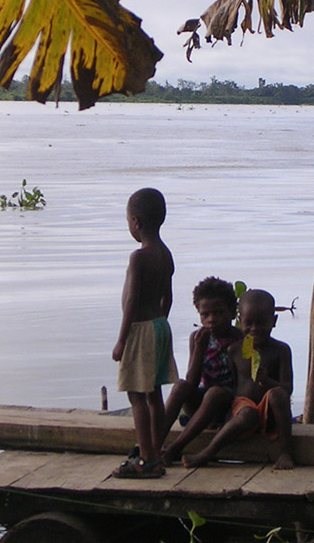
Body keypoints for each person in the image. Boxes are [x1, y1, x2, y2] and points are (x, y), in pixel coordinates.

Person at [183, 289, 295, 471]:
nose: (254, 329)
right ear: (240, 322)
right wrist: (228, 418)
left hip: (270, 411)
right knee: (247, 413)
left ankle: (286, 452)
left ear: (274, 321)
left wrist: (268, 382)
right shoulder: (235, 350)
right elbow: (235, 388)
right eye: (248, 323)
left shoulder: (281, 350)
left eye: (261, 323)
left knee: (277, 395)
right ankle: (207, 453)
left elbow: (287, 388)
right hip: (244, 411)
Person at [111, 188, 179, 478]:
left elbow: (131, 303)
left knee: (136, 396)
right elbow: (168, 298)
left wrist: (121, 340)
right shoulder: (166, 255)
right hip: (160, 326)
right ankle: (155, 450)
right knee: (154, 395)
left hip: (140, 329)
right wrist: (159, 325)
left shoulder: (139, 258)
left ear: (135, 222)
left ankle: (147, 458)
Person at [160, 277, 243, 465]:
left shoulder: (240, 339)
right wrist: (199, 348)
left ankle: (176, 447)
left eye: (219, 313)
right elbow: (192, 380)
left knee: (214, 393)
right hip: (202, 404)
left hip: (228, 404)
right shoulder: (197, 338)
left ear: (232, 313)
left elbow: (242, 384)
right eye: (205, 315)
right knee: (180, 385)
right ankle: (154, 442)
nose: (211, 319)